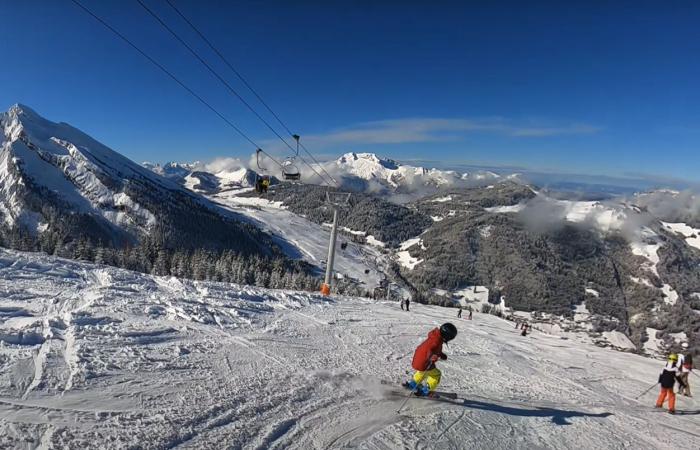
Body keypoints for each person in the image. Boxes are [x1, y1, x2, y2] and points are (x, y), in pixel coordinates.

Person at [403, 323, 458, 397]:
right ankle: (425, 390)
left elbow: (434, 349)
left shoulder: (435, 336)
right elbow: (430, 349)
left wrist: (440, 354)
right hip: (425, 361)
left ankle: (413, 384)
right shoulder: (436, 340)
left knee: (421, 373)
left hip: (419, 359)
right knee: (436, 374)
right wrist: (431, 356)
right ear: (447, 336)